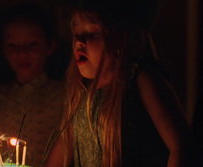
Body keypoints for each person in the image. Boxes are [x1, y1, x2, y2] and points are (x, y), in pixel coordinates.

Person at [44, 1, 193, 167]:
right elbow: (63, 146)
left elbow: (180, 145)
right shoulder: (82, 94)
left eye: (93, 34)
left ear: (124, 39)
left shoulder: (139, 79)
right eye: (76, 33)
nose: (79, 41)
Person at [0, 3, 67, 167]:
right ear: (3, 49)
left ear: (50, 46)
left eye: (32, 44)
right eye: (12, 45)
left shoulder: (64, 95)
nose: (22, 52)